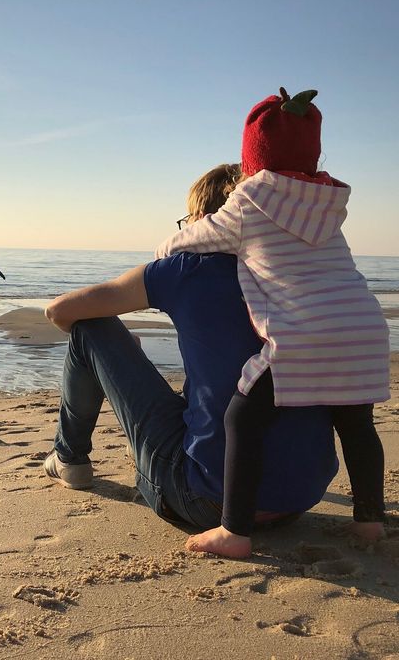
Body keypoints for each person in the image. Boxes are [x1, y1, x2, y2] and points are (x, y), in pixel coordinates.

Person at [43, 163, 339, 541]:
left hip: (204, 502)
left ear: (201, 220)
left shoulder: (187, 268)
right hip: (298, 501)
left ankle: (69, 456)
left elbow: (60, 311)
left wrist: (111, 356)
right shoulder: (305, 273)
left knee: (91, 325)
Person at [154, 88, 390, 558]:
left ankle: (234, 531)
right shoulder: (328, 206)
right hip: (363, 329)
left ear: (253, 159)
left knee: (243, 416)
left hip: (303, 334)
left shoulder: (248, 202)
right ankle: (369, 523)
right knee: (357, 425)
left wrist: (164, 249)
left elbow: (194, 239)